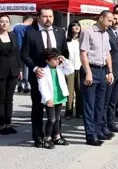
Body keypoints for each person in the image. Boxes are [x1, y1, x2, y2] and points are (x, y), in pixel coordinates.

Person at [21, 8, 69, 148]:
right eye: (45, 16)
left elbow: (65, 52)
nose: (48, 19)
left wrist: (63, 60)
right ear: (39, 17)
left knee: (57, 106)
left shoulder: (60, 32)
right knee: (37, 107)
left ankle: (56, 135)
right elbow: (24, 54)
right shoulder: (30, 32)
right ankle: (38, 137)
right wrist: (35, 68)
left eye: (50, 16)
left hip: (56, 75)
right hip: (39, 75)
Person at [79, 11, 114, 146]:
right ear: (101, 18)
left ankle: (98, 130)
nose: (110, 23)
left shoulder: (105, 34)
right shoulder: (88, 32)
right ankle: (90, 135)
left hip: (102, 70)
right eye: (109, 20)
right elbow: (83, 53)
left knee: (100, 105)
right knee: (90, 105)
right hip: (91, 69)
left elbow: (107, 53)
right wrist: (88, 72)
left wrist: (110, 71)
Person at [0, 14, 22, 135]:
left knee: (9, 99)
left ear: (9, 23)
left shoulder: (13, 36)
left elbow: (17, 53)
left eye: (6, 21)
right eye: (2, 21)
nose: (4, 24)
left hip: (13, 71)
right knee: (0, 99)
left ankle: (8, 123)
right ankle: (1, 125)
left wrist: (20, 69)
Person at [37, 48, 74, 148]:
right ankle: (47, 138)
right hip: (50, 99)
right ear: (47, 60)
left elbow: (71, 69)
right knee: (51, 119)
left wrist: (64, 60)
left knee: (58, 119)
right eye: (54, 59)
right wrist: (48, 98)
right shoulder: (43, 71)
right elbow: (42, 87)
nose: (57, 61)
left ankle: (57, 137)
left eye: (57, 59)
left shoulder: (60, 68)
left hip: (59, 96)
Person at [65, 21, 82, 119]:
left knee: (80, 90)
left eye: (78, 26)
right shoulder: (67, 41)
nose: (76, 27)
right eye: (74, 26)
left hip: (80, 67)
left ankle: (80, 112)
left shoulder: (82, 40)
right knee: (69, 91)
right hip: (69, 68)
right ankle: (69, 111)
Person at [13, 14, 33, 93]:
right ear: (30, 20)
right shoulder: (28, 28)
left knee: (18, 68)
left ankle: (19, 85)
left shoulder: (15, 27)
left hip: (16, 50)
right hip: (25, 50)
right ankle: (26, 86)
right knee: (26, 68)